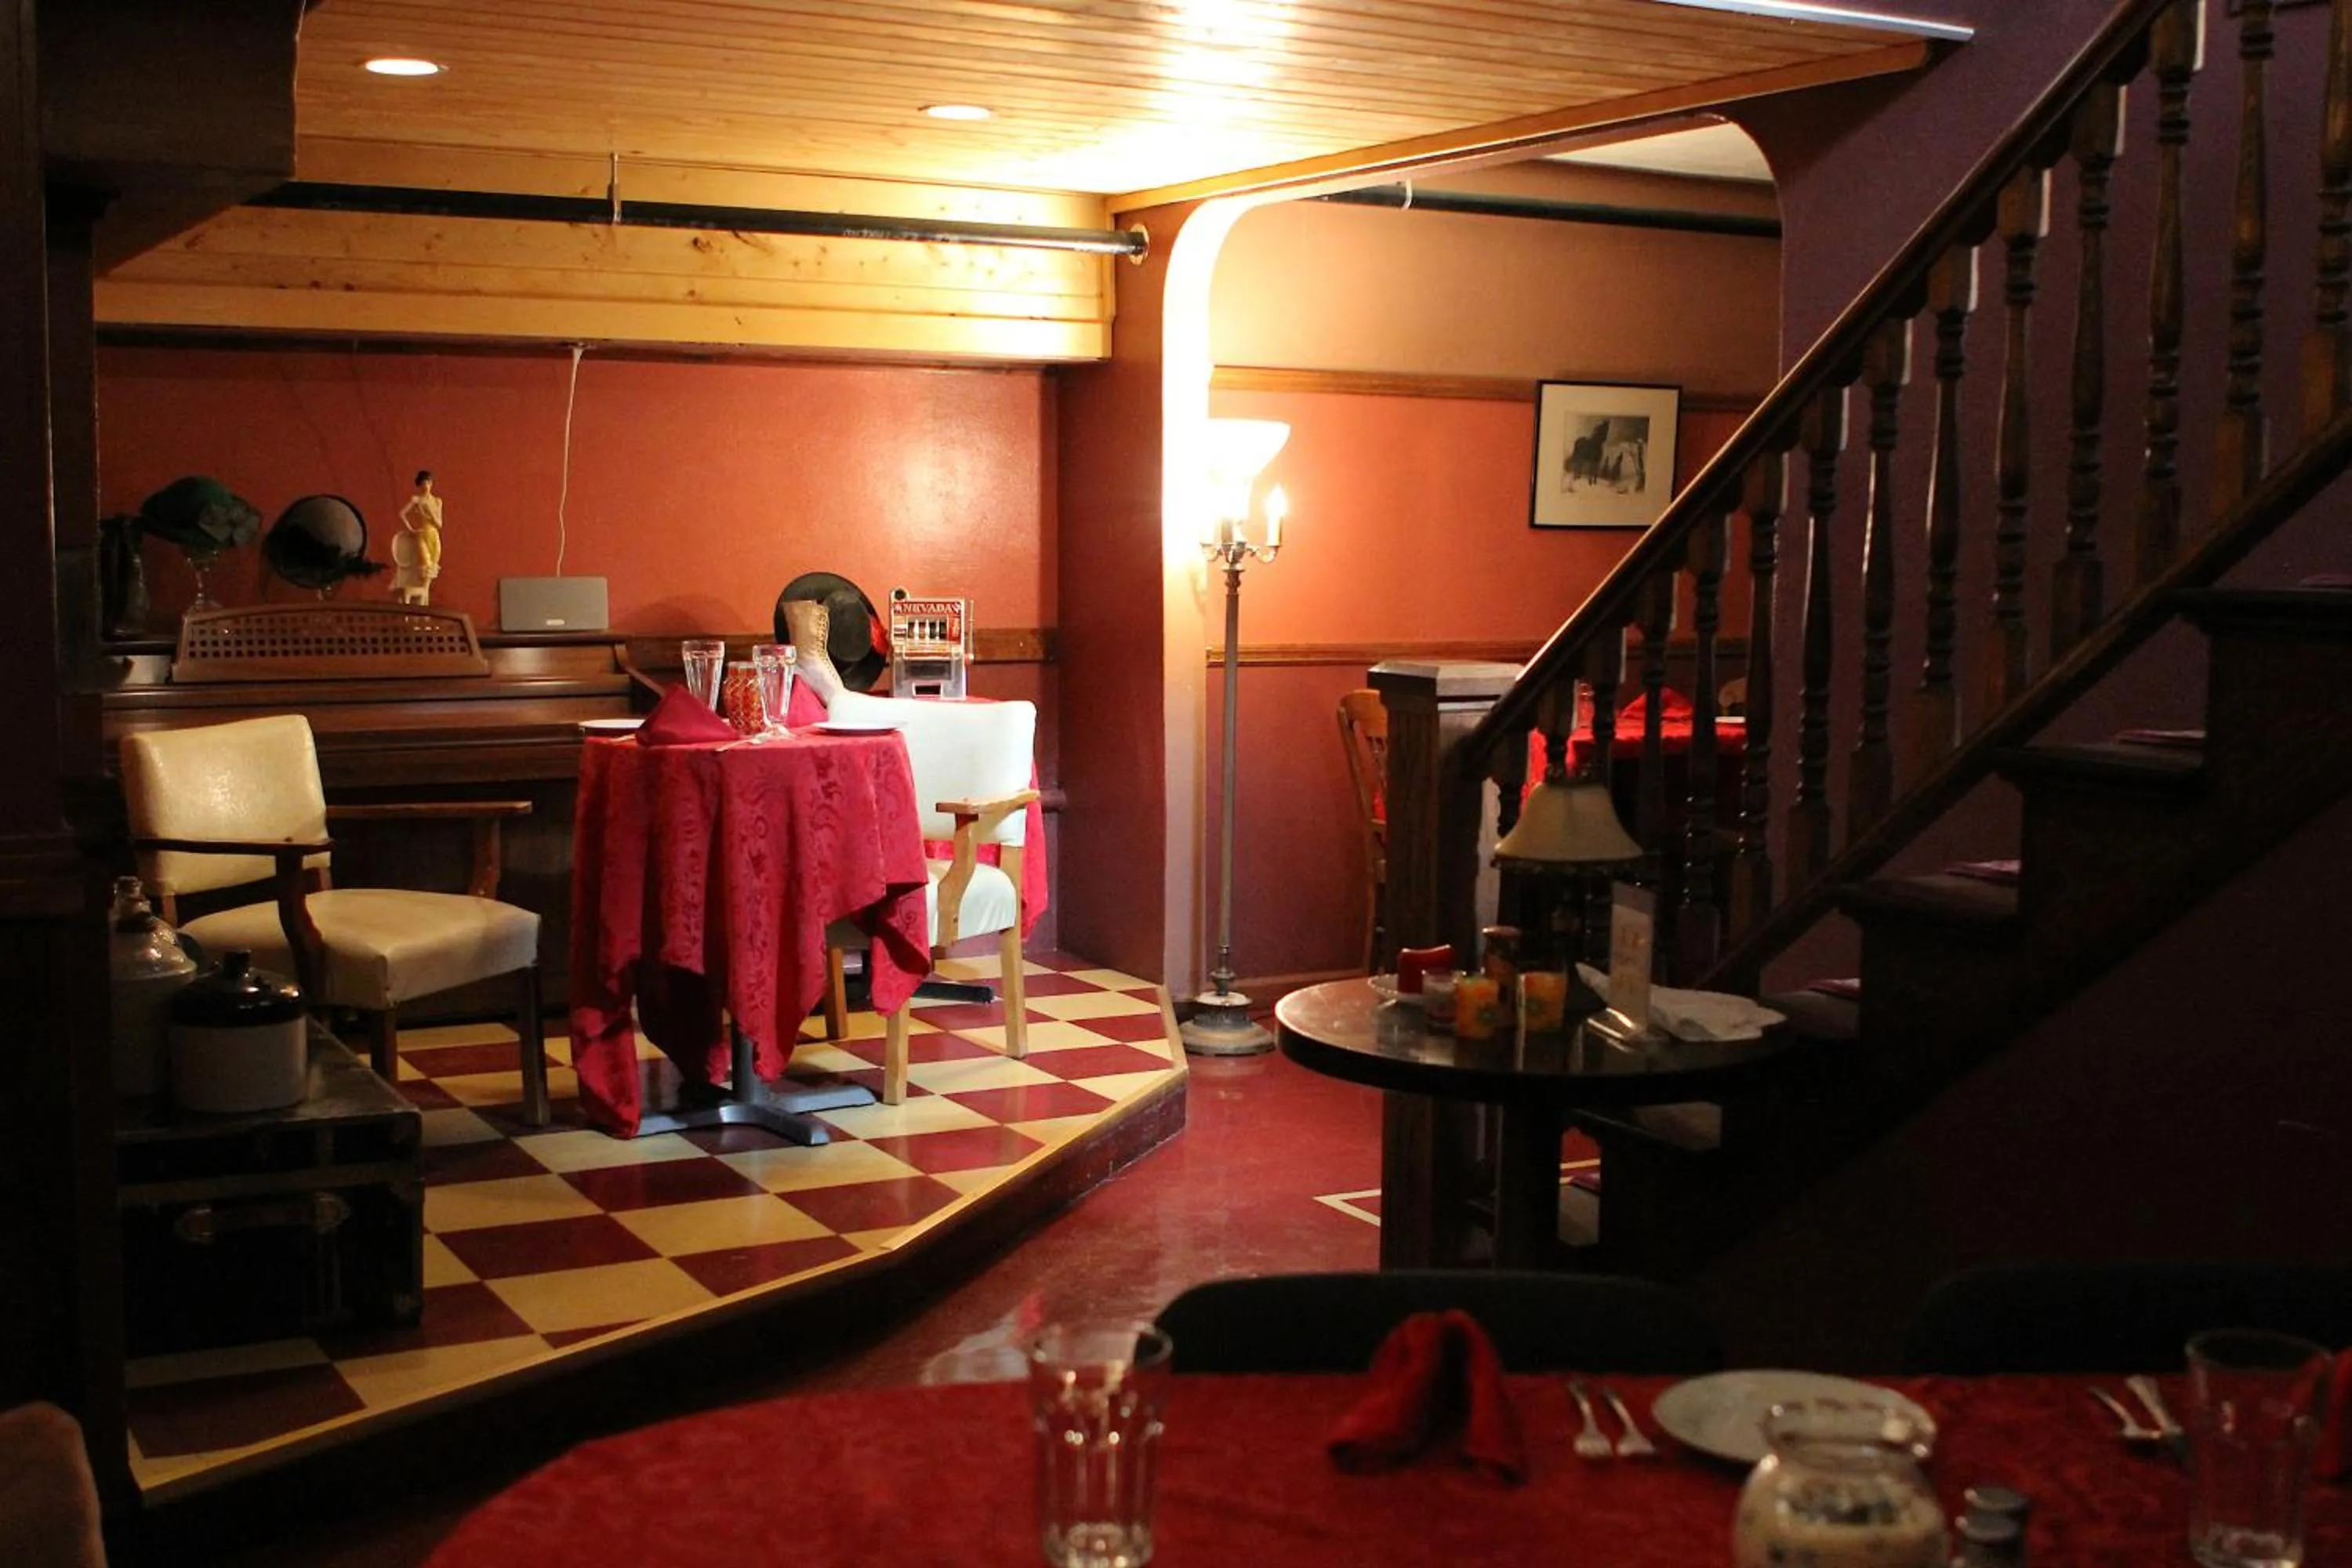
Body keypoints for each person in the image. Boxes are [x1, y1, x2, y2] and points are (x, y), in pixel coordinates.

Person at [394, 469, 444, 605]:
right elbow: (402, 513)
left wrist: (430, 511)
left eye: (428, 482)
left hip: (434, 535)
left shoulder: (437, 501)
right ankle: (418, 602)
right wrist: (411, 529)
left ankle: (423, 607)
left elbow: (439, 523)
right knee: (425, 568)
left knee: (432, 570)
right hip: (422, 534)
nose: (426, 485)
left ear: (431, 483)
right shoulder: (416, 500)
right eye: (423, 483)